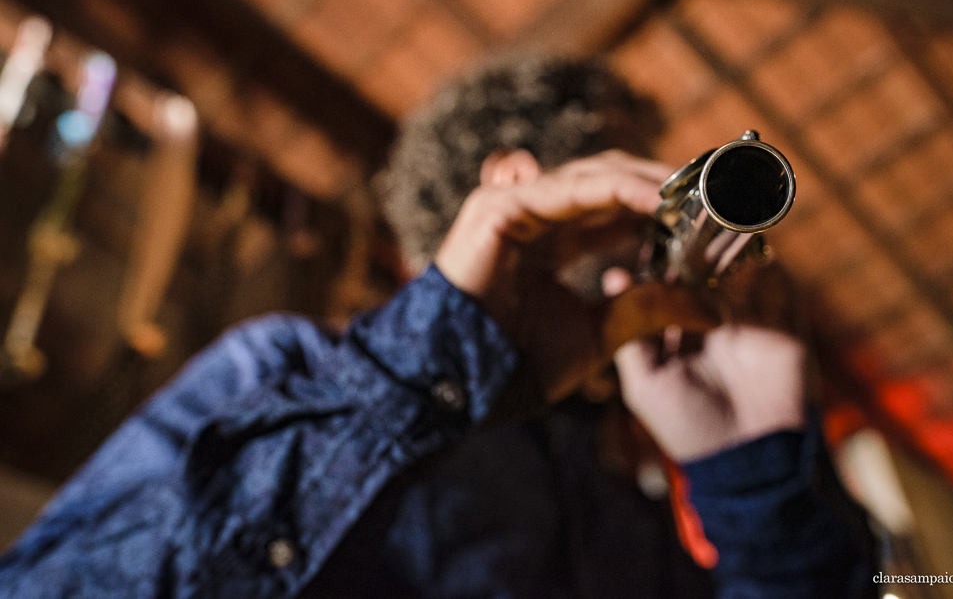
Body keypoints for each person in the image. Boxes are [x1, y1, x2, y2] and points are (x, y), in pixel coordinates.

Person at [0, 57, 876, 598]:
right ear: (515, 183)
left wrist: (752, 475)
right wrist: (426, 366)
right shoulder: (281, 369)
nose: (650, 224)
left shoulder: (616, 489)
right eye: (625, 176)